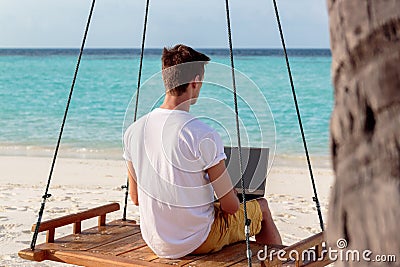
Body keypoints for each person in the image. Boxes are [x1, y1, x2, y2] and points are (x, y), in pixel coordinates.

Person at [123, 44, 281, 259]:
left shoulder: (133, 130)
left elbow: (135, 198)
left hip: (155, 241)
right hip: (197, 240)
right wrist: (230, 193)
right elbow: (231, 208)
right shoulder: (202, 133)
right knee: (261, 207)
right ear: (195, 82)